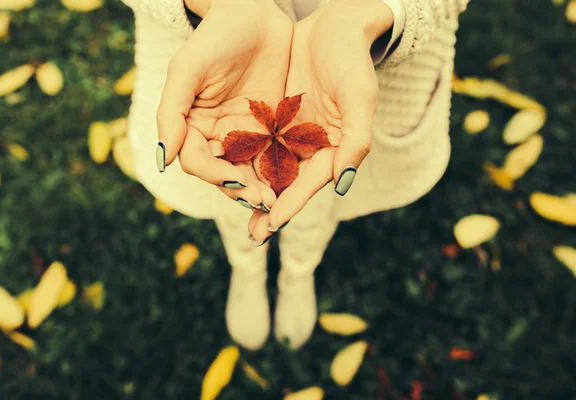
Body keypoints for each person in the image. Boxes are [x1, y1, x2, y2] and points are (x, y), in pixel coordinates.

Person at [119, 0, 470, 350]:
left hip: (381, 59)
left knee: (329, 179)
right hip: (215, 52)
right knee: (231, 181)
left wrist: (368, 15)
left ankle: (299, 270)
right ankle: (246, 263)